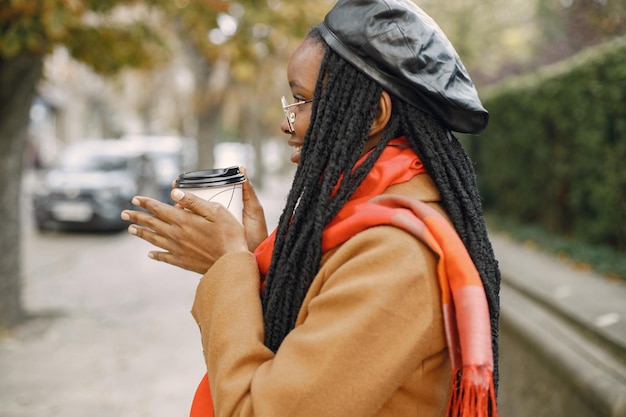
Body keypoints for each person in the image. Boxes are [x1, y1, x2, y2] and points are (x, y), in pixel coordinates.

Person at [121, 0, 501, 416]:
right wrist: (253, 256)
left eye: (301, 101)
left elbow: (257, 410)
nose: (288, 122)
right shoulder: (366, 216)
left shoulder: (394, 256)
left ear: (373, 115)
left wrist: (227, 265)